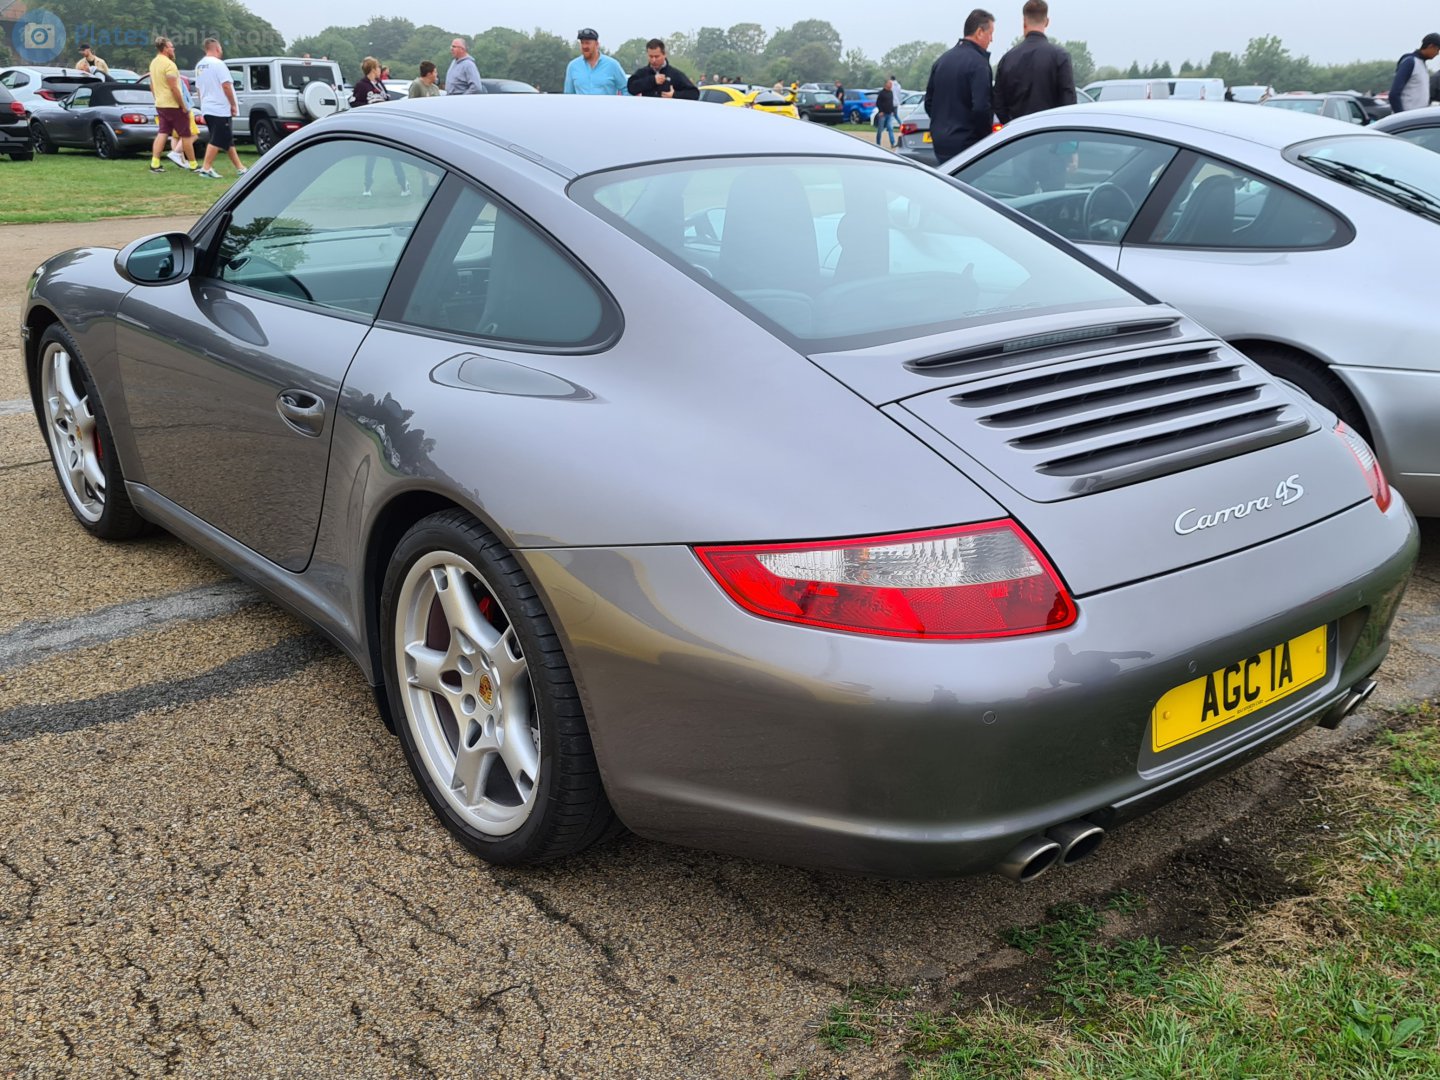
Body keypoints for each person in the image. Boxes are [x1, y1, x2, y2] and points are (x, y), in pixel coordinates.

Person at [924, 9, 997, 161]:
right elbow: (981, 108)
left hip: (940, 143)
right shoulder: (979, 64)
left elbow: (929, 103)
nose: (991, 39)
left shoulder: (942, 61)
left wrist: (941, 125)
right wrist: (986, 138)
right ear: (979, 32)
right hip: (968, 145)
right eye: (990, 33)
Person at [993, 1, 1075, 123]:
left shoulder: (1007, 59)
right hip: (1051, 133)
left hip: (1017, 135)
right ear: (1047, 21)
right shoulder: (1060, 57)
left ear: (1024, 22)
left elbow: (998, 103)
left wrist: (1011, 124)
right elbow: (1068, 102)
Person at [351, 57, 409, 197]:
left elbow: (387, 99)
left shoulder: (380, 84)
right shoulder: (361, 85)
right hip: (371, 127)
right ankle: (367, 187)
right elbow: (354, 102)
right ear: (372, 69)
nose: (379, 70)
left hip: (385, 126)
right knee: (371, 158)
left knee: (394, 157)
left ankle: (404, 185)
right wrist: (369, 107)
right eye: (377, 68)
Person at [194, 38, 246, 179]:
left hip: (208, 106)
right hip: (220, 108)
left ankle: (240, 167)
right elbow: (226, 85)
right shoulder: (219, 64)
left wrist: (203, 104)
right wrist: (233, 104)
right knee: (217, 138)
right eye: (221, 48)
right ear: (217, 48)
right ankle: (206, 168)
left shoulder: (200, 65)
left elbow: (198, 88)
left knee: (227, 138)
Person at [148, 37, 197, 174]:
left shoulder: (154, 63)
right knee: (186, 134)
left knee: (162, 132)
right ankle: (193, 164)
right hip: (173, 105)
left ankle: (155, 163)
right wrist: (183, 105)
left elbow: (151, 84)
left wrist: (156, 98)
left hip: (161, 104)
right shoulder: (169, 65)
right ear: (165, 49)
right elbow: (174, 88)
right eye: (171, 46)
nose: (173, 49)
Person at [627, 38, 698, 99]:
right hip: (647, 112)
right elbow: (631, 88)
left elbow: (694, 93)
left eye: (657, 56)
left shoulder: (674, 74)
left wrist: (674, 95)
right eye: (651, 56)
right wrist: (652, 80)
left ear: (664, 55)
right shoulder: (643, 73)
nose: (653, 60)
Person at [1389, 32, 1440, 114]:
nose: (1437, 54)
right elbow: (1394, 94)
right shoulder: (1410, 62)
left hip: (1417, 117)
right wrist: (1401, 116)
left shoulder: (1422, 65)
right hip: (1407, 120)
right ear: (1431, 46)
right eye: (1437, 50)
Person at [565, 28, 627, 95]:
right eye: (582, 43)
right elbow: (568, 94)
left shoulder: (612, 65)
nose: (584, 46)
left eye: (587, 43)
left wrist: (621, 104)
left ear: (597, 44)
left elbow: (626, 89)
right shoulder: (573, 66)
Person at [874, 77, 899, 148]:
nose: (891, 85)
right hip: (883, 114)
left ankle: (893, 143)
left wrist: (892, 111)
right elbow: (878, 103)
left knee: (890, 128)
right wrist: (881, 111)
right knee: (880, 129)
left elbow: (891, 103)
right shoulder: (882, 93)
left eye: (891, 84)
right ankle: (878, 144)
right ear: (886, 85)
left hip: (889, 114)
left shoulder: (891, 92)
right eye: (890, 84)